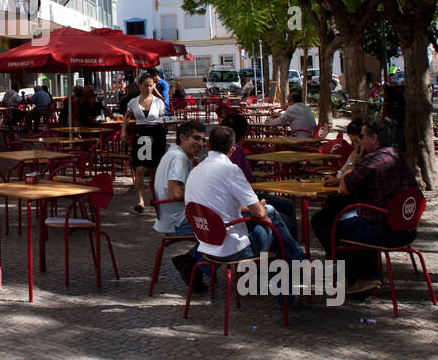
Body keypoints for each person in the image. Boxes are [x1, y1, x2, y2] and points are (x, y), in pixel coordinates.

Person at [183, 125, 307, 301]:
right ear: (232, 149)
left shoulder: (195, 171)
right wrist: (260, 208)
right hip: (229, 246)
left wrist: (253, 210)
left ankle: (297, 262)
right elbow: (260, 214)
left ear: (208, 145)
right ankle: (296, 268)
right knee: (273, 219)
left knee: (274, 226)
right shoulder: (231, 170)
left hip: (205, 241)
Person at [312, 117, 418, 297]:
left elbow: (345, 188)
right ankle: (361, 274)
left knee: (326, 223)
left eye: (362, 136)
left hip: (384, 228)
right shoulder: (399, 156)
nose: (359, 140)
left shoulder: (372, 161)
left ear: (374, 138)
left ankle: (362, 277)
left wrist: (353, 160)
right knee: (337, 214)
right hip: (407, 225)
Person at [154, 121, 209, 292]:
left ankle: (195, 264)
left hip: (173, 216)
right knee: (225, 228)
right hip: (177, 220)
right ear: (182, 137)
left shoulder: (177, 154)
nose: (201, 144)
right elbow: (175, 194)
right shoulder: (179, 158)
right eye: (196, 138)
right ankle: (193, 262)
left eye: (203, 140)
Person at [220, 112, 295, 234]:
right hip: (240, 205)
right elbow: (248, 182)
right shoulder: (236, 150)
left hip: (230, 206)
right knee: (285, 214)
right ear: (244, 133)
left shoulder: (209, 160)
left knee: (283, 208)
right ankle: (282, 251)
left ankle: (285, 249)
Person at [123, 73, 168, 214]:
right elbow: (126, 118)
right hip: (141, 135)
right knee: (140, 168)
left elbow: (163, 119)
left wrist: (166, 124)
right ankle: (140, 200)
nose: (148, 88)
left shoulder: (158, 102)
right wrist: (124, 132)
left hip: (156, 134)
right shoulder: (133, 102)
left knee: (154, 169)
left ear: (154, 86)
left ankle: (153, 197)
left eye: (150, 85)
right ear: (140, 85)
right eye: (145, 85)